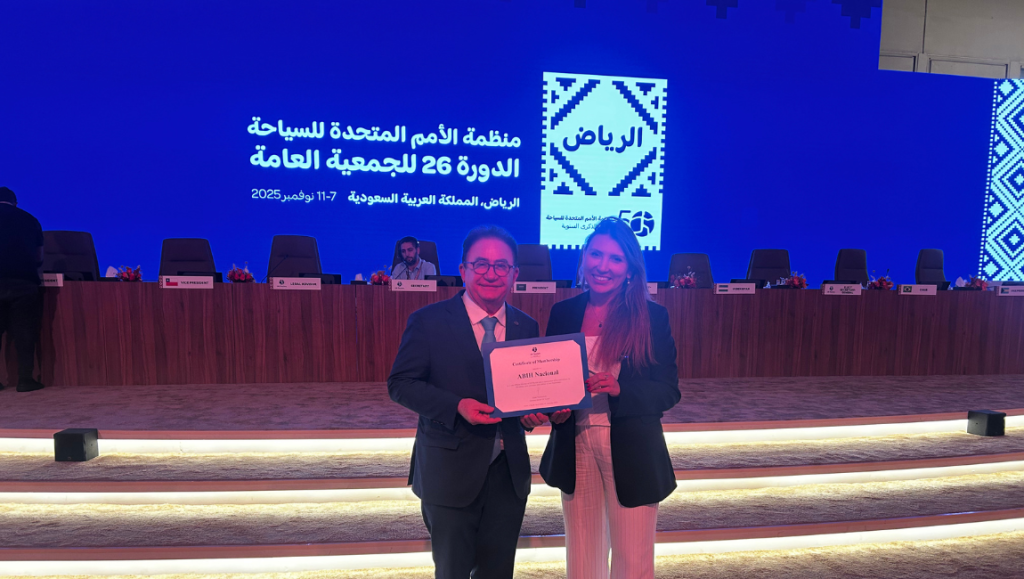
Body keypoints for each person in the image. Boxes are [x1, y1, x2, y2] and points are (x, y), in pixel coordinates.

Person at [388, 225, 549, 579]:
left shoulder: (526, 326)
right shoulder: (428, 322)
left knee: (498, 573)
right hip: (449, 472)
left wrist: (531, 414)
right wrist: (457, 406)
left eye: (501, 266)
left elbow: (522, 394)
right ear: (463, 270)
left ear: (514, 274)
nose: (491, 273)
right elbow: (400, 384)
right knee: (453, 572)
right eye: (481, 264)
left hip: (508, 475)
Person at [540, 217, 679, 579]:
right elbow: (552, 382)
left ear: (630, 269)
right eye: (596, 254)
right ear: (584, 257)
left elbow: (668, 390)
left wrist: (620, 389)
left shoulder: (652, 317)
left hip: (632, 448)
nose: (603, 266)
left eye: (616, 259)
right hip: (574, 443)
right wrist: (554, 409)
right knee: (583, 558)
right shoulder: (563, 313)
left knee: (632, 561)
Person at [0, 187, 46, 392]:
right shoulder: (30, 220)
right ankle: (25, 380)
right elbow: (39, 257)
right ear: (15, 203)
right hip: (23, 283)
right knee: (25, 332)